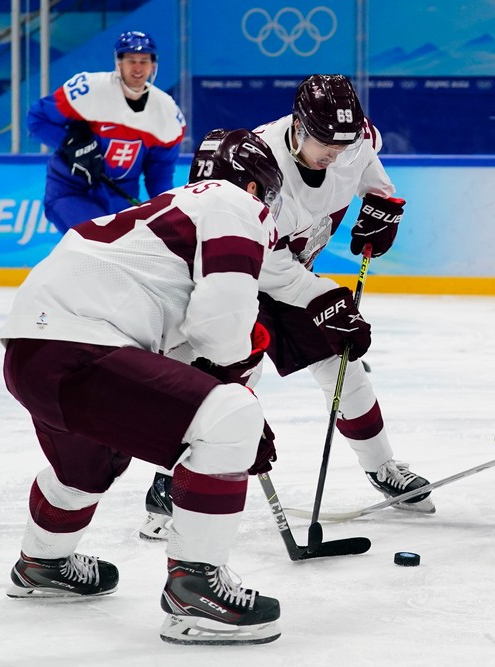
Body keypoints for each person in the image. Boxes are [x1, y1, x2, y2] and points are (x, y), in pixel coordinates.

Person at [0, 129, 336, 645]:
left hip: (35, 352)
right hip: (79, 346)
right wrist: (237, 405)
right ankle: (194, 590)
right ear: (256, 187)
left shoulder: (172, 213)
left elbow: (184, 355)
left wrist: (222, 381)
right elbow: (221, 326)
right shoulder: (231, 203)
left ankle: (42, 563)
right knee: (232, 417)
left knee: (88, 464)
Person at [138, 74, 431, 540]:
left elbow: (368, 168)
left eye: (344, 143)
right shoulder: (259, 164)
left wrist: (381, 202)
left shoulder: (354, 139)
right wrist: (323, 298)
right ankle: (169, 486)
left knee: (342, 365)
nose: (334, 155)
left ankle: (382, 466)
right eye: (323, 145)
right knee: (225, 384)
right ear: (297, 126)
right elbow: (265, 267)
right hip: (243, 275)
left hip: (297, 272)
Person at [27, 30, 185, 234]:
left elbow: (159, 177)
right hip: (71, 190)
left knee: (122, 257)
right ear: (119, 63)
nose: (137, 68)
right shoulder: (88, 90)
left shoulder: (167, 113)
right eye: (131, 61)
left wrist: (168, 216)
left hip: (120, 199)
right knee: (94, 242)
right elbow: (37, 119)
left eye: (143, 61)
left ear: (153, 66)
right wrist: (69, 142)